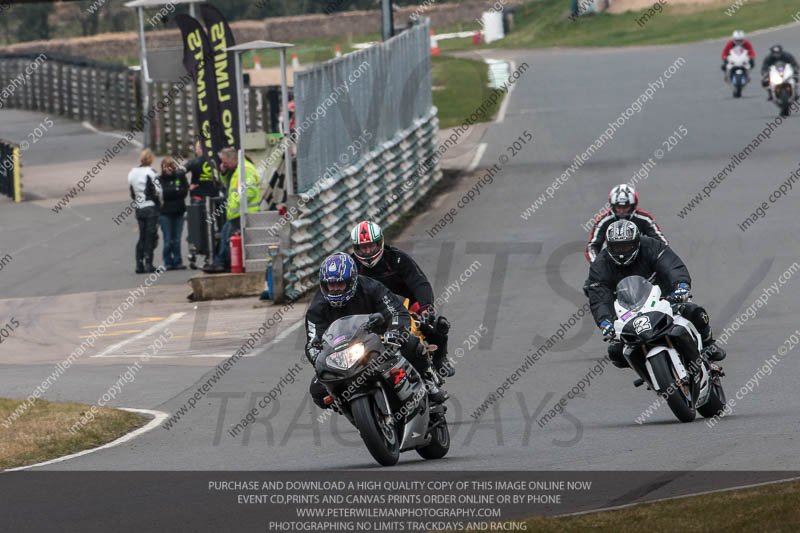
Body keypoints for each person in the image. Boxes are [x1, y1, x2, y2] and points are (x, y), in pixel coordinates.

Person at [306, 253, 447, 410]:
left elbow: (397, 312)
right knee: (317, 389)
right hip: (344, 356)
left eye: (340, 284)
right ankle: (351, 410)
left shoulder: (371, 287)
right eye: (330, 285)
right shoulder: (316, 308)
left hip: (381, 341)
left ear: (352, 280)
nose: (335, 290)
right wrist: (320, 359)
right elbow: (313, 342)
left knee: (412, 343)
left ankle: (428, 382)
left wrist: (395, 332)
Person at [583, 220, 726, 369]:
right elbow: (599, 298)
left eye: (626, 246)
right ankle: (648, 371)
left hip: (664, 299)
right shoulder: (600, 265)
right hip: (628, 311)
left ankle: (709, 344)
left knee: (695, 312)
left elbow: (672, 266)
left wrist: (681, 286)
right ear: (609, 246)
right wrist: (606, 321)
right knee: (616, 352)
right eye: (617, 247)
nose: (621, 252)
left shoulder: (651, 246)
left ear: (636, 242)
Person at [349, 220, 454, 377]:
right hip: (369, 313)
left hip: (406, 305)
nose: (368, 251)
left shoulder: (397, 258)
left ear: (380, 243)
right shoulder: (351, 267)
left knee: (438, 323)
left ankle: (440, 359)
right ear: (356, 248)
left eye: (371, 245)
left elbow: (419, 282)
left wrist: (426, 307)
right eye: (363, 247)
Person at [204, 147, 261, 274]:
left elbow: (250, 191)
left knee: (228, 239)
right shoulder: (237, 170)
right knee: (226, 237)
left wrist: (236, 201)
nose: (223, 164)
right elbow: (228, 185)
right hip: (235, 213)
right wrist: (223, 173)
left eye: (225, 161)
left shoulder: (245, 170)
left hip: (242, 213)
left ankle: (224, 264)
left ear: (233, 159)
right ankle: (221, 262)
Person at [585, 184, 667, 263]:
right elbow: (592, 246)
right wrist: (597, 264)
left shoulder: (645, 219)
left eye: (625, 207)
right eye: (618, 207)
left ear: (632, 206)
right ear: (612, 206)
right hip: (611, 265)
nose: (621, 211)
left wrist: (656, 261)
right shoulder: (603, 220)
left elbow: (661, 243)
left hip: (640, 263)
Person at [128, 149, 162, 274]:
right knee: (150, 235)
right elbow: (159, 190)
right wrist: (160, 203)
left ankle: (139, 264)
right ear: (151, 159)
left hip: (139, 207)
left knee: (141, 236)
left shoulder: (132, 172)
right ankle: (149, 263)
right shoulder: (151, 172)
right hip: (150, 207)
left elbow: (132, 191)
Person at [157, 157, 189, 270]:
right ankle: (167, 261)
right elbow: (162, 194)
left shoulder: (179, 177)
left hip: (179, 211)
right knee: (167, 239)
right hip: (165, 213)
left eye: (170, 166)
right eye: (165, 167)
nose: (168, 169)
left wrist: (174, 191)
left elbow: (184, 191)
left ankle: (177, 261)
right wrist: (175, 191)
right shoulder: (159, 180)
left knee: (177, 239)